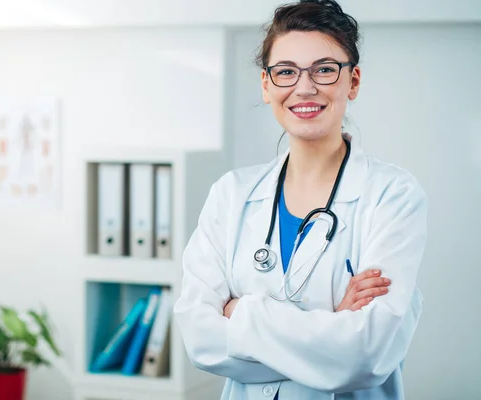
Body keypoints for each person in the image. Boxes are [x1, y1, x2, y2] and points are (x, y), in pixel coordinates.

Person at [173, 0, 428, 399]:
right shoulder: (231, 194)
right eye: (286, 72)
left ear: (353, 81)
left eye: (325, 69)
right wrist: (332, 326)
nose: (304, 87)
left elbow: (366, 357)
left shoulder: (392, 196)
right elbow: (201, 340)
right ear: (266, 84)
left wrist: (241, 313)